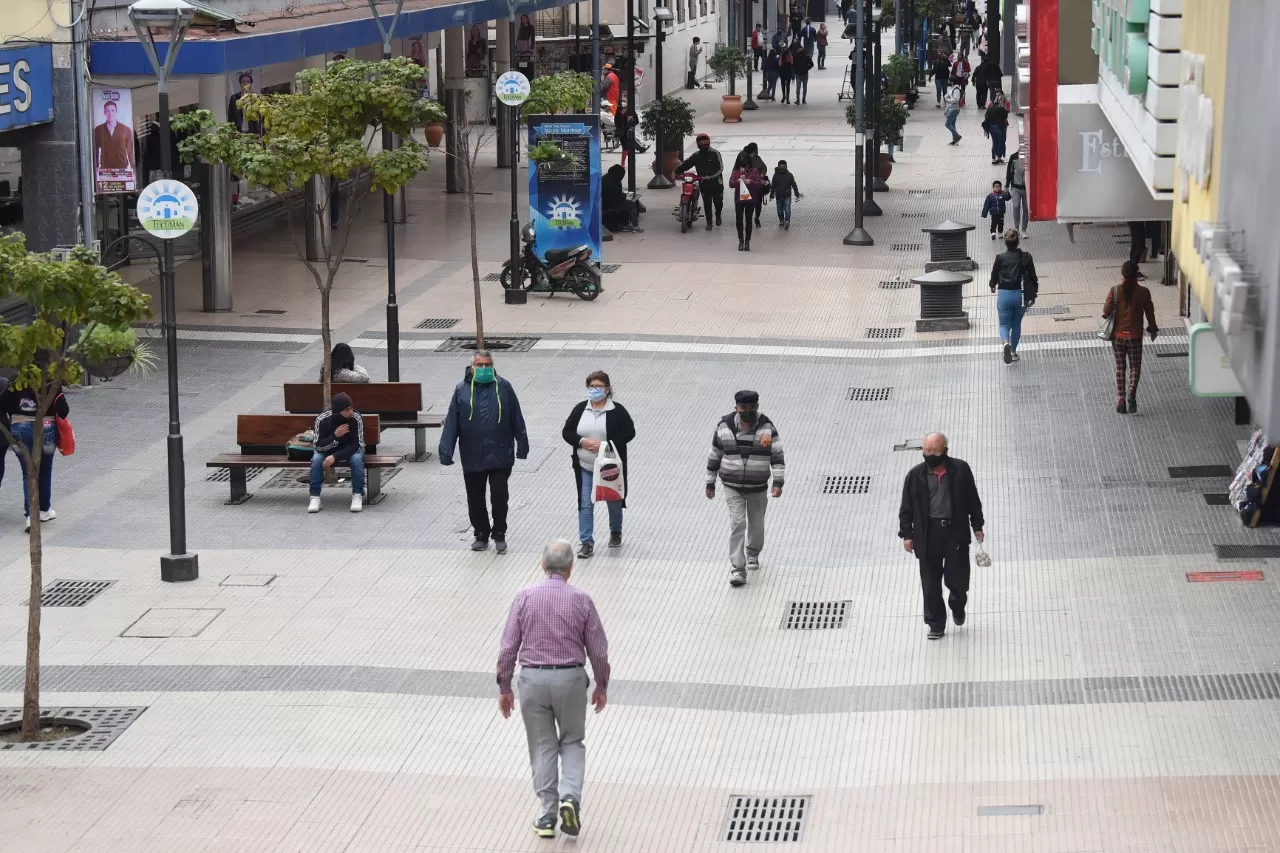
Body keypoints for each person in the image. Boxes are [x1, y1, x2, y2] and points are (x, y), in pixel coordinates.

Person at [497, 539, 610, 840]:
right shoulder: (582, 600)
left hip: (533, 680)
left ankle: (547, 817)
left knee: (543, 746)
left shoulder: (524, 597)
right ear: (571, 568)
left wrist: (504, 687)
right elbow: (598, 649)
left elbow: (508, 647)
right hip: (571, 679)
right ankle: (570, 799)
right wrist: (601, 683)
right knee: (572, 741)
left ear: (542, 565)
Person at [439, 350, 530, 553]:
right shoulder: (461, 390)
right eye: (479, 365)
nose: (483, 368)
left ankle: (499, 533)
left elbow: (516, 416)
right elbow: (452, 422)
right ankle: (481, 533)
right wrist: (446, 451)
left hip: (500, 452)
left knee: (499, 495)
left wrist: (522, 445)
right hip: (472, 453)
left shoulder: (504, 387)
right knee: (475, 497)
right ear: (472, 367)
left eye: (487, 364)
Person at [898, 432, 985, 641]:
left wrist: (977, 525)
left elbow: (973, 499)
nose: (930, 455)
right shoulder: (915, 476)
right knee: (930, 583)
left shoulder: (961, 470)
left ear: (945, 450)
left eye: (935, 451)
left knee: (958, 580)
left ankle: (957, 604)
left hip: (955, 533)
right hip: (928, 535)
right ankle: (935, 623)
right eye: (927, 451)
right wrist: (907, 535)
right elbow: (906, 507)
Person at [706, 390, 785, 587]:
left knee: (756, 523)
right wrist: (710, 482)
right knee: (738, 522)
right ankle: (738, 569)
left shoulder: (767, 428)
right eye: (744, 408)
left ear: (757, 407)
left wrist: (778, 482)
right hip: (732, 485)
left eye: (752, 408)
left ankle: (753, 553)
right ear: (736, 408)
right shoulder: (724, 427)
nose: (748, 411)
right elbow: (714, 454)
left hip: (758, 486)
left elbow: (777, 456)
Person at [562, 371, 635, 558]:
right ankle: (586, 542)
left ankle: (615, 531)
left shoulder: (617, 410)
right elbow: (567, 432)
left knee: (613, 500)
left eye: (599, 386)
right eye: (592, 386)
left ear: (607, 389)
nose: (595, 390)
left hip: (609, 466)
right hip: (584, 466)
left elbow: (629, 432)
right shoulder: (580, 409)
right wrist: (581, 442)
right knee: (586, 503)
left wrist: (606, 444)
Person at [1, 373, 68, 532]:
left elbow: (3, 403)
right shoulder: (51, 376)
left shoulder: (16, 378)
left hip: (20, 426)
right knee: (45, 469)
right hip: (47, 425)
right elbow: (63, 409)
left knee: (28, 472)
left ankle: (30, 516)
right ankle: (44, 510)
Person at [1103, 261, 1159, 414]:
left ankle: (1121, 398)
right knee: (1135, 367)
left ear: (1123, 273)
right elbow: (1150, 313)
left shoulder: (1115, 291)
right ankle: (1132, 392)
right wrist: (1153, 329)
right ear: (1137, 273)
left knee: (1121, 367)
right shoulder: (1144, 292)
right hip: (1135, 336)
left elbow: (1105, 311)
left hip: (1118, 336)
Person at [308, 392, 366, 514]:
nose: (351, 411)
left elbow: (356, 445)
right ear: (338, 411)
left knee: (356, 459)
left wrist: (335, 456)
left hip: (350, 450)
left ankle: (357, 494)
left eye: (351, 407)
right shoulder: (322, 419)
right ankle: (314, 497)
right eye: (347, 409)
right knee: (317, 459)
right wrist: (335, 436)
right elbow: (318, 445)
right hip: (327, 450)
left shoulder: (356, 417)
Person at [988, 228, 1039, 364]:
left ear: (1005, 242)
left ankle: (1005, 343)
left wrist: (992, 285)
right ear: (1018, 241)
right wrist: (1034, 293)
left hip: (1004, 294)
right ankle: (1013, 352)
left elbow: (994, 275)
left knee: (1004, 324)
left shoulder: (1000, 258)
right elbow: (1033, 276)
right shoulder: (1026, 257)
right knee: (1016, 325)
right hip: (1019, 295)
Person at [675, 132, 725, 230]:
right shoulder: (696, 156)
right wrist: (676, 171)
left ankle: (718, 216)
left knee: (718, 202)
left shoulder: (715, 153)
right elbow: (686, 164)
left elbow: (720, 168)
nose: (703, 148)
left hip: (716, 183)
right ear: (698, 146)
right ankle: (709, 223)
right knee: (707, 203)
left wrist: (709, 177)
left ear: (709, 144)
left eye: (705, 145)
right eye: (701, 146)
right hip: (703, 183)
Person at [729, 153, 765, 251]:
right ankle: (741, 240)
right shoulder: (736, 170)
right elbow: (731, 183)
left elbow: (759, 184)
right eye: (740, 158)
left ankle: (747, 241)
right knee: (739, 221)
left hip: (750, 198)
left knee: (748, 220)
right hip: (739, 199)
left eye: (744, 158)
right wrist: (738, 181)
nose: (742, 161)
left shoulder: (754, 170)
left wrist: (749, 182)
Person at [93, 98, 135, 174]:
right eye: (107, 111)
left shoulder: (126, 130)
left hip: (122, 169)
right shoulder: (99, 130)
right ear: (104, 112)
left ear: (116, 112)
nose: (110, 114)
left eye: (112, 110)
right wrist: (95, 167)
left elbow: (130, 151)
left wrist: (133, 169)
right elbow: (95, 151)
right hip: (105, 169)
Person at [601, 165, 637, 232]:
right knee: (631, 204)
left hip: (601, 204)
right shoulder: (616, 182)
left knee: (625, 203)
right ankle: (634, 226)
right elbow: (617, 198)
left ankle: (623, 224)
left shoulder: (604, 178)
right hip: (609, 206)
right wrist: (624, 195)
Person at [742, 142, 770, 228]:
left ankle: (756, 217)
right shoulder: (743, 160)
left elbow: (764, 167)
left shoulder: (757, 158)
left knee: (757, 203)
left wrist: (762, 174)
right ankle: (750, 219)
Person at [771, 159, 803, 229]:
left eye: (783, 166)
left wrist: (796, 193)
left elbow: (794, 185)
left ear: (786, 166)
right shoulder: (776, 175)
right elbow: (773, 185)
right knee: (779, 209)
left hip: (787, 195)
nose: (782, 167)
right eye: (780, 166)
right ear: (778, 166)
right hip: (779, 195)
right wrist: (772, 194)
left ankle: (787, 221)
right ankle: (781, 220)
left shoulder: (789, 175)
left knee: (787, 208)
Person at [1005, 149, 1029, 238]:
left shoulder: (1030, 157)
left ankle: (1024, 230)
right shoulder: (1014, 157)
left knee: (1026, 208)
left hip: (1027, 188)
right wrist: (1007, 185)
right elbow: (1009, 171)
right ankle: (1016, 228)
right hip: (1015, 186)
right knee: (1016, 206)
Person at [982, 91, 1009, 164]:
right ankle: (999, 158)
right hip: (999, 127)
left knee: (995, 142)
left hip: (991, 127)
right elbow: (1005, 117)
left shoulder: (990, 107)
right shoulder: (1002, 108)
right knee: (1001, 142)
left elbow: (986, 116)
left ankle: (993, 157)